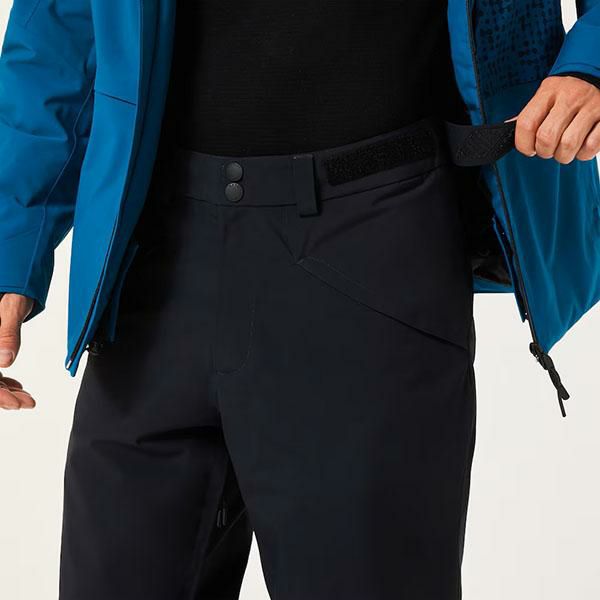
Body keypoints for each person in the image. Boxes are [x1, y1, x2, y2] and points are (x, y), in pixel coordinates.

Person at [0, 1, 599, 599]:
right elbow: (59, 25)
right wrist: (10, 251)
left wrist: (590, 63)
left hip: (370, 247)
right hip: (153, 258)